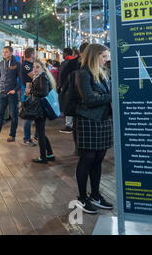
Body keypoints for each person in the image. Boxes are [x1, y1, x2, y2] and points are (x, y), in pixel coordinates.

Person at [74, 44, 113, 214]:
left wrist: (101, 97)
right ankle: (82, 198)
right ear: (94, 56)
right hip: (87, 121)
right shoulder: (83, 73)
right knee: (87, 158)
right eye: (103, 56)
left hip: (102, 120)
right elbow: (89, 99)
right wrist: (111, 95)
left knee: (98, 158)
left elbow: (95, 98)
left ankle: (95, 195)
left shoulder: (103, 73)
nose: (106, 59)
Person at [26, 60, 56, 164]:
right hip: (40, 109)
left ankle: (43, 157)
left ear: (43, 68)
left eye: (37, 67)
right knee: (40, 132)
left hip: (40, 109)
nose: (35, 69)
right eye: (34, 67)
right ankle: (50, 154)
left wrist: (30, 91)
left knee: (40, 134)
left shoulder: (42, 78)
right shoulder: (40, 77)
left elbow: (43, 92)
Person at [58, 43, 89, 134]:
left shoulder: (71, 63)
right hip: (79, 98)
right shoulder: (75, 63)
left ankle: (70, 126)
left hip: (75, 95)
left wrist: (62, 87)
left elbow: (63, 76)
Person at [21, 47, 36, 147]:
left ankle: (35, 136)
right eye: (34, 54)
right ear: (31, 54)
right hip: (27, 94)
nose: (35, 55)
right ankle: (26, 138)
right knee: (28, 117)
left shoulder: (31, 64)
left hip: (33, 93)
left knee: (34, 116)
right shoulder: (26, 65)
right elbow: (33, 76)